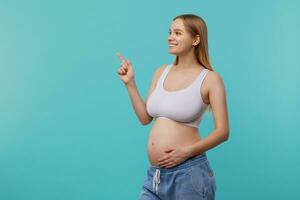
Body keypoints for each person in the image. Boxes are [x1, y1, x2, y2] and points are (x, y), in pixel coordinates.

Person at [117, 14, 229, 200]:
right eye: (170, 32)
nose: (170, 37)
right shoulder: (161, 71)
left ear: (195, 39)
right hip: (156, 176)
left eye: (178, 33)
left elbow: (223, 132)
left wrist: (185, 152)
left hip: (189, 174)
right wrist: (130, 83)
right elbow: (145, 118)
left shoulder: (210, 79)